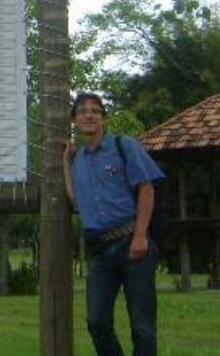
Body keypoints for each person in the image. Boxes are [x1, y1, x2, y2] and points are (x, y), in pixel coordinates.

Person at [63, 92, 164, 356]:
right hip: (99, 251)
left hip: (131, 243)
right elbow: (76, 201)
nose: (89, 115)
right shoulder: (78, 159)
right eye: (82, 111)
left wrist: (140, 236)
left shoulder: (124, 145)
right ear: (74, 120)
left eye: (95, 111)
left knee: (142, 325)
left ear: (104, 119)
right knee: (96, 321)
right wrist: (66, 163)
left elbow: (146, 189)